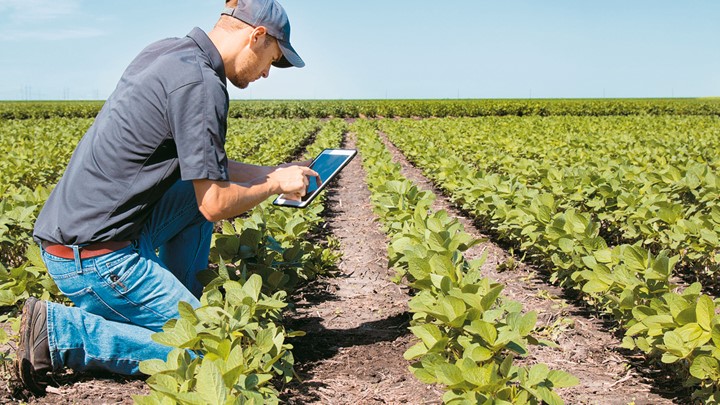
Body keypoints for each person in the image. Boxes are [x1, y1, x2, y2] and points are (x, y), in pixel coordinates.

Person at [15, 0, 316, 395]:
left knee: (190, 200)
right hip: (94, 259)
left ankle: (179, 301)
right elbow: (215, 203)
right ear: (256, 36)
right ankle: (62, 333)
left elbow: (207, 168)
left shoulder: (169, 52)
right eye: (271, 60)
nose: (265, 74)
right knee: (212, 353)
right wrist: (275, 186)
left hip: (84, 235)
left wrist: (269, 172)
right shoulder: (203, 86)